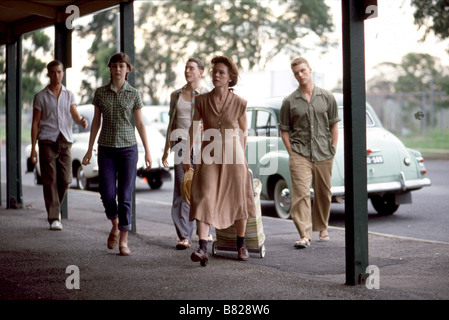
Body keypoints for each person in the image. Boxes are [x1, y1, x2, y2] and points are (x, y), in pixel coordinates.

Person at [182, 55, 256, 266]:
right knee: (204, 196)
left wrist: (240, 154)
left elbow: (243, 130)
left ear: (230, 77)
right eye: (214, 71)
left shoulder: (240, 102)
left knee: (239, 198)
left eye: (221, 72)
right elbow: (193, 128)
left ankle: (241, 245)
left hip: (235, 157)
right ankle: (202, 247)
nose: (216, 75)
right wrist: (187, 154)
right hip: (209, 156)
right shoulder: (202, 101)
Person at [82, 52, 152, 256]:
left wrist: (147, 151)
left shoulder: (134, 94)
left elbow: (139, 123)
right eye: (114, 66)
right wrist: (89, 148)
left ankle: (123, 240)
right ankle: (114, 224)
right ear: (110, 69)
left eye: (122, 66)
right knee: (106, 193)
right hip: (106, 149)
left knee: (125, 196)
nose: (118, 69)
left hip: (129, 149)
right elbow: (96, 122)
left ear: (128, 69)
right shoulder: (100, 93)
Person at [278, 57, 340, 249]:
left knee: (324, 192)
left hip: (324, 153)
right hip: (300, 153)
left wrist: (333, 149)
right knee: (301, 194)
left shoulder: (327, 97)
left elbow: (334, 124)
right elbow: (284, 129)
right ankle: (304, 235)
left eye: (303, 71)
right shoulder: (289, 101)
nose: (300, 75)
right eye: (296, 73)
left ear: (310, 69)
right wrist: (292, 152)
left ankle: (322, 227)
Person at [30, 60, 88, 231]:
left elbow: (75, 115)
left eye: (59, 72)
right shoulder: (40, 97)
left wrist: (81, 121)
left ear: (63, 73)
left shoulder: (69, 94)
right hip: (47, 140)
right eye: (53, 72)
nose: (56, 75)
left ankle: (55, 208)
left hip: (65, 140)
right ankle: (54, 217)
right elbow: (35, 123)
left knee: (66, 179)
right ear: (48, 74)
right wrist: (33, 148)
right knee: (49, 180)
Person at [162, 58, 209, 250]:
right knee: (183, 190)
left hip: (202, 146)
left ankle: (204, 232)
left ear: (201, 72)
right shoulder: (176, 95)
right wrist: (166, 149)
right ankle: (184, 236)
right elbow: (171, 123)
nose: (187, 71)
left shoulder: (207, 94)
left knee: (203, 190)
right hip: (181, 145)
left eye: (191, 68)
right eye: (186, 68)